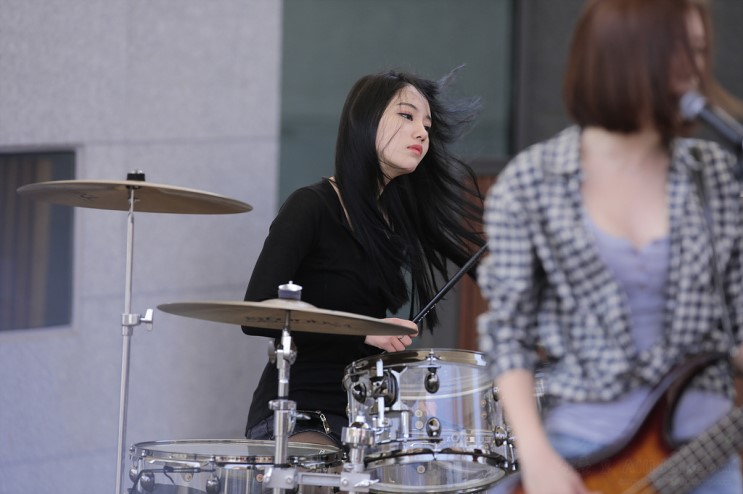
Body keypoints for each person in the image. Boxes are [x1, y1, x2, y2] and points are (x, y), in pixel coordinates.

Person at [477, 1, 743, 493]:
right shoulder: (531, 183)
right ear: (624, 53)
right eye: (679, 51)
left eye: (700, 51)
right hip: (584, 454)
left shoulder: (716, 175)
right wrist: (535, 456)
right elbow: (508, 336)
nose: (695, 70)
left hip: (706, 455)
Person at [242, 69, 485, 448]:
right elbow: (256, 313)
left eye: (426, 125)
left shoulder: (388, 223)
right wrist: (362, 330)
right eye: (406, 116)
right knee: (331, 473)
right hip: (297, 412)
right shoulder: (311, 206)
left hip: (362, 416)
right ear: (365, 121)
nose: (422, 132)